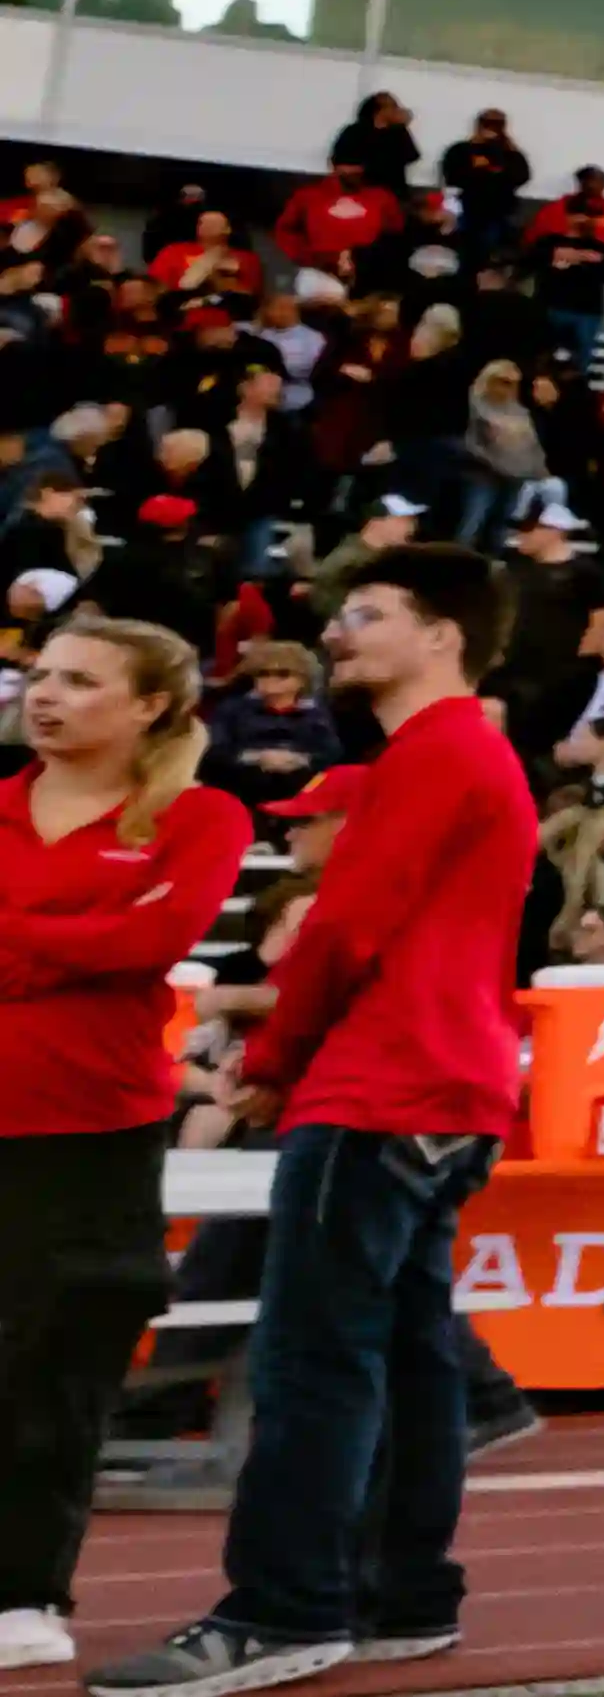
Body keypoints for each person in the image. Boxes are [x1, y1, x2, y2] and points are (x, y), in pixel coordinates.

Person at [106, 545, 531, 1697]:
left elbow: (347, 926)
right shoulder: (469, 753)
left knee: (314, 1359)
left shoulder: (434, 752)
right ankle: (402, 1594)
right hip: (450, 1082)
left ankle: (282, 1606)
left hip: (382, 1082)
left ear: (442, 631)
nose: (337, 630)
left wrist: (275, 1064)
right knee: (405, 1348)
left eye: (365, 610)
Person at [0, 615, 239, 1673]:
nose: (45, 694)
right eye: (40, 673)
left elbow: (152, 940)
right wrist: (74, 944)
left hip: (91, 1130)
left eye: (80, 679)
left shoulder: (199, 815)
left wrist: (19, 943)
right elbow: (110, 937)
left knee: (56, 1366)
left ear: (149, 704)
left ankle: (21, 1587)